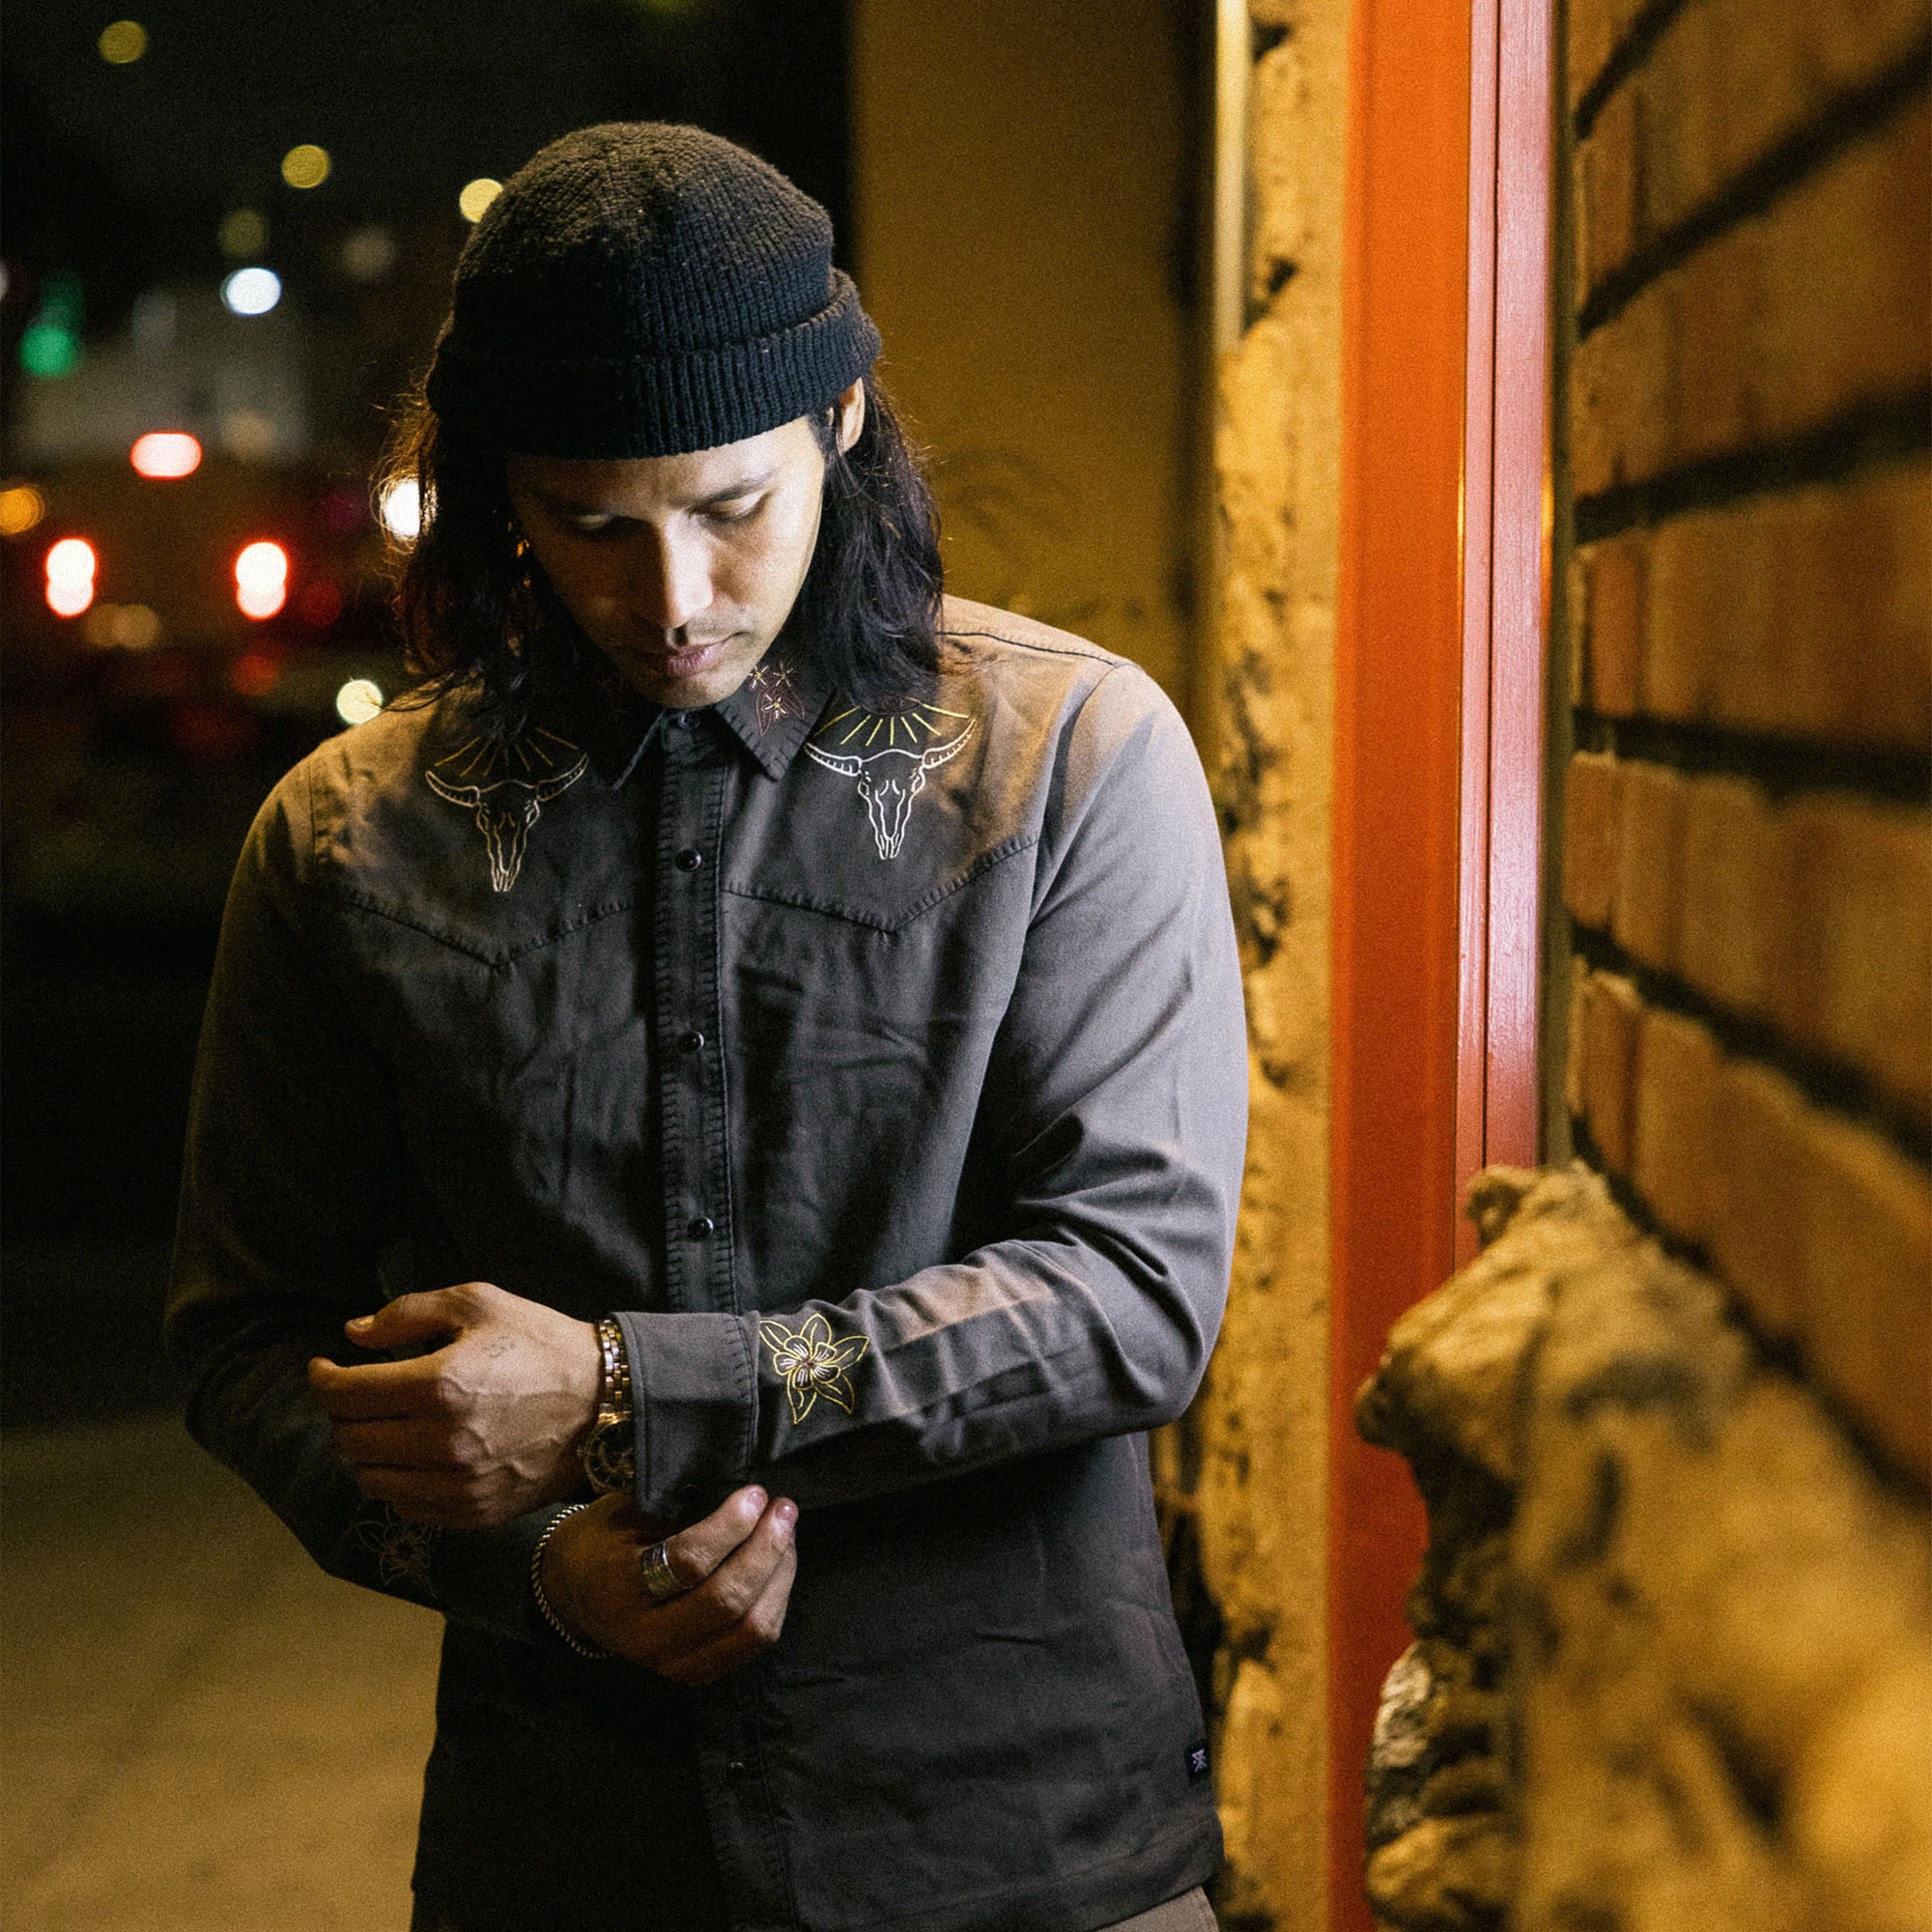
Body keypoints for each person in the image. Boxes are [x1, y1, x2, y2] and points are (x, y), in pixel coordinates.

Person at [165, 122, 1247, 1932]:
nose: (670, 600)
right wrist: (535, 1567)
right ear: (497, 490)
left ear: (837, 428)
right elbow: (245, 1342)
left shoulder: (1068, 762)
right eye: (592, 523)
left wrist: (611, 1393)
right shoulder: (348, 840)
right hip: (571, 1853)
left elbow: (1137, 1295)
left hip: (1016, 1851)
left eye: (729, 509)